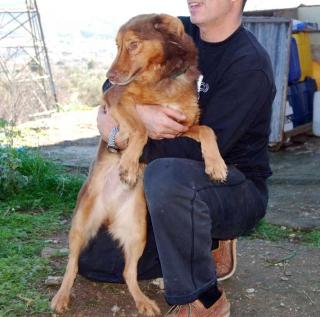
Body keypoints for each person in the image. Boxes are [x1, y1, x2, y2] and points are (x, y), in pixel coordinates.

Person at [78, 0, 276, 316]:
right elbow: (117, 77)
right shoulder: (174, 31)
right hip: (171, 177)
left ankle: (205, 298)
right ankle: (203, 241)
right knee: (95, 259)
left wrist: (119, 137)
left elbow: (194, 152)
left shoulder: (248, 65)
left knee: (167, 176)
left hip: (230, 185)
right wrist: (139, 112)